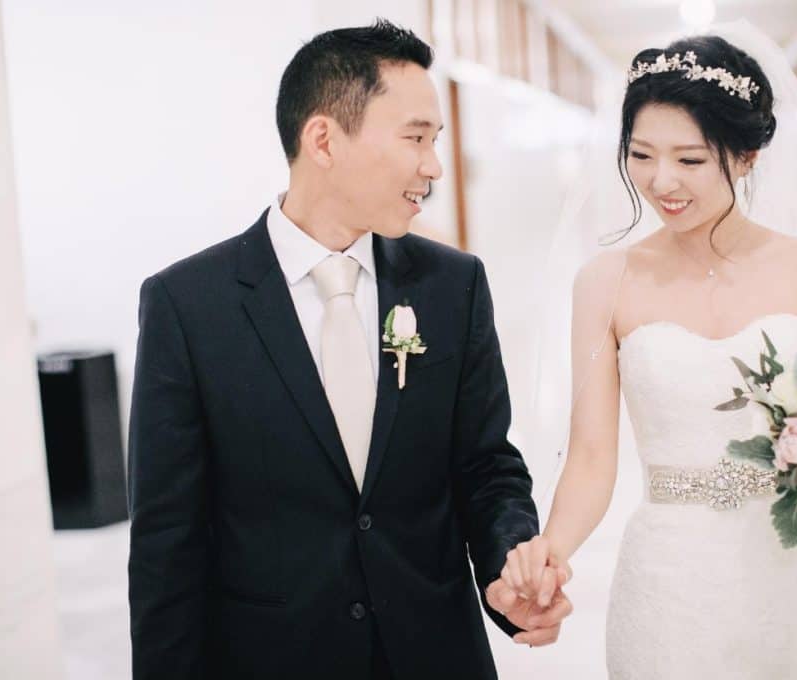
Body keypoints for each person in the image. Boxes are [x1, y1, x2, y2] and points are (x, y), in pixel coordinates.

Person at [127, 19, 570, 680]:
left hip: (436, 655)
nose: (434, 167)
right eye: (416, 138)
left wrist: (510, 568)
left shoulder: (454, 286)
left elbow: (486, 467)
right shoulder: (188, 306)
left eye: (435, 140)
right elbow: (168, 543)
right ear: (324, 139)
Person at [497, 32, 797, 678]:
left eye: (690, 160)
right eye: (643, 155)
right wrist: (552, 552)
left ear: (747, 155)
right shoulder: (605, 282)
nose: (661, 181)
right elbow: (593, 457)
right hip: (667, 587)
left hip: (795, 577)